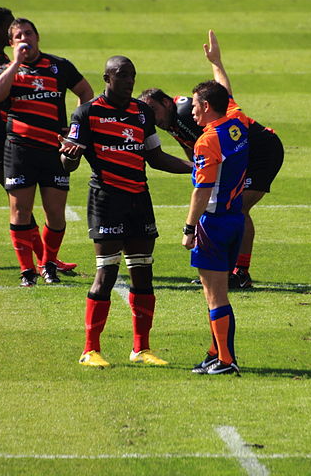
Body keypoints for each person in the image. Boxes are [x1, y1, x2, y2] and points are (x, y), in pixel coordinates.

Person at [59, 55, 192, 368]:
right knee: (106, 273)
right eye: (122, 75)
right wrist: (72, 156)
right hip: (106, 201)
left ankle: (141, 349)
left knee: (143, 272)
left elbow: (155, 157)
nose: (129, 81)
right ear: (107, 77)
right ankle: (90, 350)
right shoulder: (87, 112)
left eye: (132, 75)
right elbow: (66, 164)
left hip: (139, 200)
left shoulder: (142, 111)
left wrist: (193, 167)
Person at [140, 30, 284, 289]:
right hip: (244, 151)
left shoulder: (186, 114)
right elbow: (225, 97)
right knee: (233, 207)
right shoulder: (175, 118)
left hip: (262, 152)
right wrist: (216, 63)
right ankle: (228, 271)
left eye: (153, 110)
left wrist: (201, 179)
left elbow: (208, 147)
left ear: (166, 101)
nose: (154, 118)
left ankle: (239, 271)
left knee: (237, 208)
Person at [0, 8, 78, 277]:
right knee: (17, 200)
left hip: (1, 135)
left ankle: (41, 259)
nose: (22, 37)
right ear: (2, 33)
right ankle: (42, 262)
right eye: (14, 30)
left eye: (27, 32)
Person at [0, 17, 93, 286]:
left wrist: (75, 132)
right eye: (19, 36)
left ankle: (48, 265)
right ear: (11, 43)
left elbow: (85, 93)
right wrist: (15, 64)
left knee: (55, 214)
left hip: (53, 150)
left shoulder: (59, 66)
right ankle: (27, 271)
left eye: (29, 33)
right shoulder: (4, 70)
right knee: (20, 211)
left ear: (37, 36)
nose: (25, 39)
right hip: (19, 150)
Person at [182, 80, 249, 375]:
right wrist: (216, 62)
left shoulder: (207, 141)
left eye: (195, 105)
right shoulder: (238, 123)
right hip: (236, 219)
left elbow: (202, 190)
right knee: (218, 294)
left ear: (207, 106)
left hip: (213, 224)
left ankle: (225, 359)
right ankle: (216, 353)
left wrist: (188, 228)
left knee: (215, 296)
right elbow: (227, 92)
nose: (191, 111)